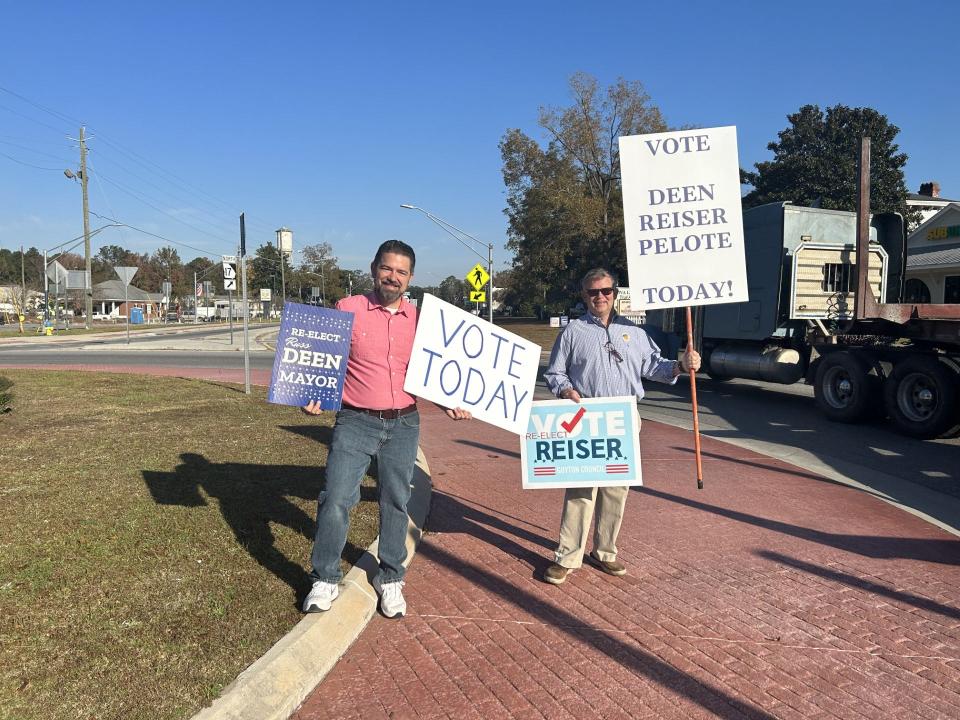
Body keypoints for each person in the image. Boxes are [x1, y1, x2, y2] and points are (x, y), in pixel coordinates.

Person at [301, 240, 470, 618]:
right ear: (374, 268)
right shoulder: (347, 310)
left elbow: (429, 375)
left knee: (396, 501)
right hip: (355, 421)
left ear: (410, 278)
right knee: (336, 498)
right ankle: (325, 578)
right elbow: (322, 364)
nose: (392, 277)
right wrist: (311, 395)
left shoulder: (420, 321)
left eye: (401, 272)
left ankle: (391, 578)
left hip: (404, 422)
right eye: (387, 268)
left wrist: (450, 402)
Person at [541, 268, 701, 585]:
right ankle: (568, 556)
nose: (600, 297)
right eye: (592, 292)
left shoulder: (636, 333)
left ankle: (604, 552)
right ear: (584, 295)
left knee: (616, 489)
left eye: (606, 291)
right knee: (581, 488)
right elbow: (555, 373)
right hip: (586, 417)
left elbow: (655, 367)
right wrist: (565, 390)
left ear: (615, 293)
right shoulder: (572, 333)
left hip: (624, 418)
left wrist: (682, 365)